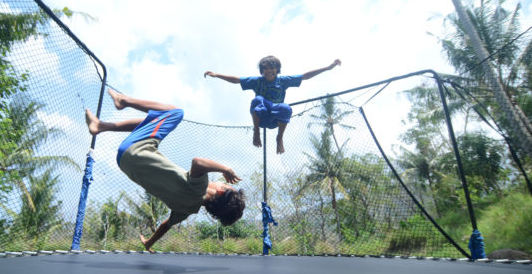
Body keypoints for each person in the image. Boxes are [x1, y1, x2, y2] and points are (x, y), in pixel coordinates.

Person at [85, 89, 245, 253]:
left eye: (225, 185)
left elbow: (197, 162)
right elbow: (165, 225)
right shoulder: (187, 210)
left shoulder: (200, 186)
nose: (222, 181)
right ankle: (102, 126)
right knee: (151, 121)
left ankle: (123, 101)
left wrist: (226, 168)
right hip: (124, 163)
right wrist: (149, 242)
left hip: (137, 150)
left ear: (219, 192)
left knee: (175, 113)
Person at [204, 56, 341, 154]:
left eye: (272, 68)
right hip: (262, 117)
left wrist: (328, 68)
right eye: (265, 69)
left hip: (276, 120)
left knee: (285, 108)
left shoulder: (283, 80)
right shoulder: (257, 81)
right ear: (262, 71)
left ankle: (279, 137)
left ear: (277, 69)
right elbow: (236, 80)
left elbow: (305, 76)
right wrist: (216, 75)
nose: (269, 71)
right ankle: (256, 131)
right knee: (258, 99)